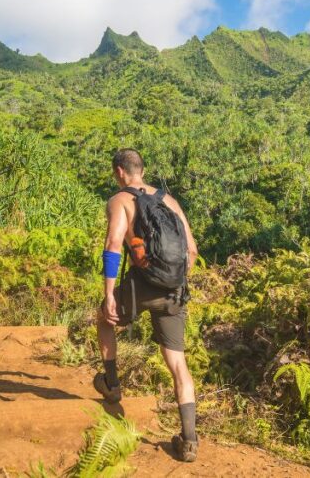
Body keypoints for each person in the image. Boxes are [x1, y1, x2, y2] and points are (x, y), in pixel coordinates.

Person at [94, 148, 200, 463]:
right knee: (178, 364)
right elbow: (191, 251)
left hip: (140, 286)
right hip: (173, 290)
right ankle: (190, 440)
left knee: (104, 319)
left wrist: (110, 294)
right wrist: (174, 283)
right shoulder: (170, 201)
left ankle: (112, 384)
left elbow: (114, 246)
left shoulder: (120, 201)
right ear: (141, 169)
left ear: (118, 172)